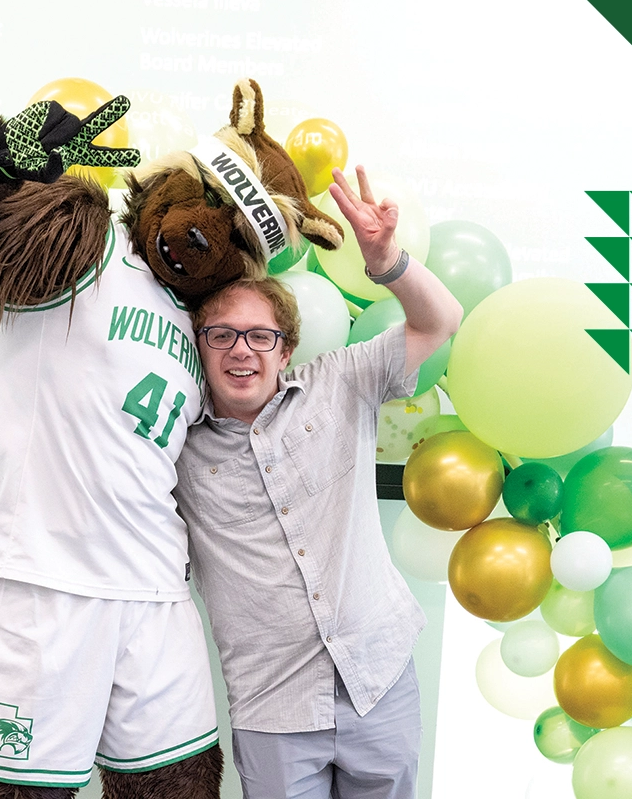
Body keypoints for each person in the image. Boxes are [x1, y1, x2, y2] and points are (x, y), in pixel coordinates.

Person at [171, 165, 463, 799]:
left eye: (260, 336)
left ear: (285, 349)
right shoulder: (175, 444)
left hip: (378, 677)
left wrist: (387, 261)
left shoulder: (341, 381)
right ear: (199, 347)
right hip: (273, 707)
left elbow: (439, 321)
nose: (241, 350)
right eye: (222, 336)